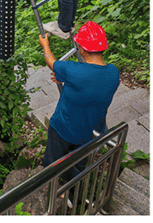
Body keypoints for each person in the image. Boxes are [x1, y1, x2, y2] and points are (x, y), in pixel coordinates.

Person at [38, 21, 120, 194]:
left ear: (81, 49)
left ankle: (48, 194)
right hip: (89, 134)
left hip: (62, 128)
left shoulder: (73, 70)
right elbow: (92, 85)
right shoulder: (113, 72)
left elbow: (51, 61)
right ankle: (74, 197)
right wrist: (69, 80)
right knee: (78, 167)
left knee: (51, 164)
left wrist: (45, 45)